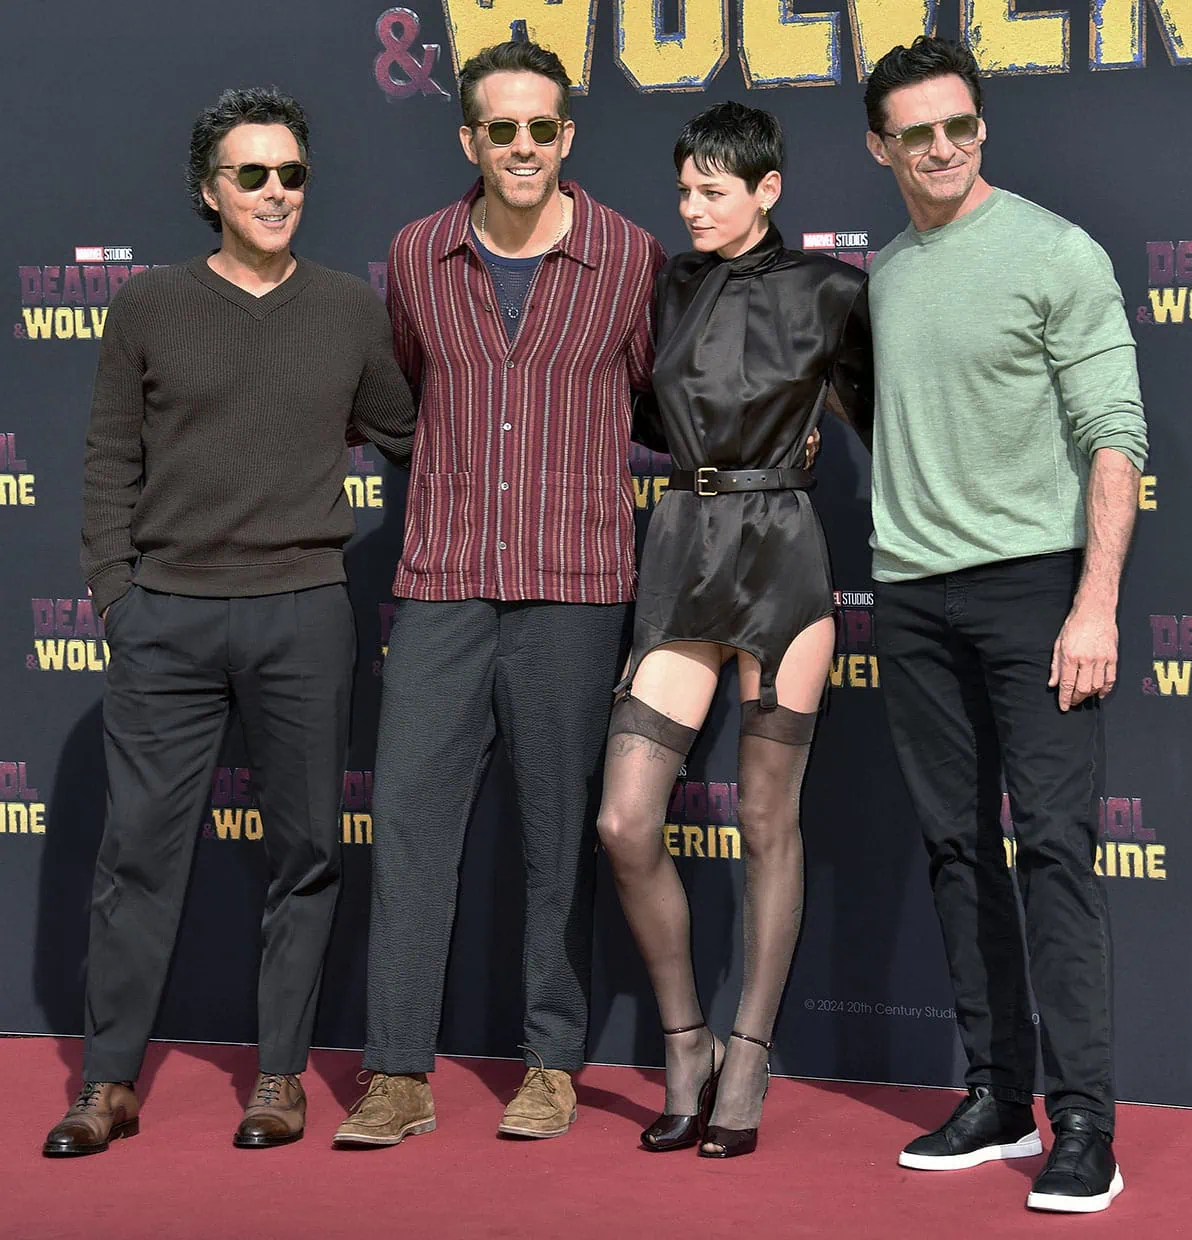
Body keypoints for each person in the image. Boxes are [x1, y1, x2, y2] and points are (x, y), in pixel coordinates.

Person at [42, 86, 416, 1157]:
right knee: (139, 857)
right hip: (167, 620)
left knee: (306, 853)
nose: (275, 191)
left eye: (291, 173)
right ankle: (106, 1082)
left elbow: (415, 437)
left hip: (303, 614)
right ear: (210, 189)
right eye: (251, 174)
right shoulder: (151, 304)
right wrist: (120, 598)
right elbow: (109, 457)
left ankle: (281, 1077)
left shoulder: (350, 308)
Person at [333, 41, 666, 1147]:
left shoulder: (629, 255)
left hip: (577, 585)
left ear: (566, 136)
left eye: (542, 128)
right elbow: (407, 399)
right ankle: (396, 1073)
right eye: (500, 129)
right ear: (468, 137)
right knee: (410, 827)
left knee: (557, 829)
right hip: (443, 579)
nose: (522, 147)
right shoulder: (417, 255)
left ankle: (552, 1063)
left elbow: (657, 405)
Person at [863, 36, 1146, 1213]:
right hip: (912, 598)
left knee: (1057, 854)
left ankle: (1084, 1123)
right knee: (953, 849)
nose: (942, 147)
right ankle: (996, 1091)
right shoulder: (880, 275)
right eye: (917, 131)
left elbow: (1115, 434)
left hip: (1038, 591)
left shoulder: (1054, 251)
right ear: (880, 146)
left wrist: (1095, 600)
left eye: (960, 125)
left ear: (981, 126)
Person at [595, 101, 872, 1159]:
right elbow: (642, 417)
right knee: (625, 821)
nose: (693, 206)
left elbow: (889, 414)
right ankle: (687, 1040)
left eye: (715, 188)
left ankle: (750, 1051)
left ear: (768, 191)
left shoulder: (835, 291)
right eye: (685, 189)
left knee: (769, 824)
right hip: (680, 543)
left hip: (784, 554)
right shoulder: (665, 284)